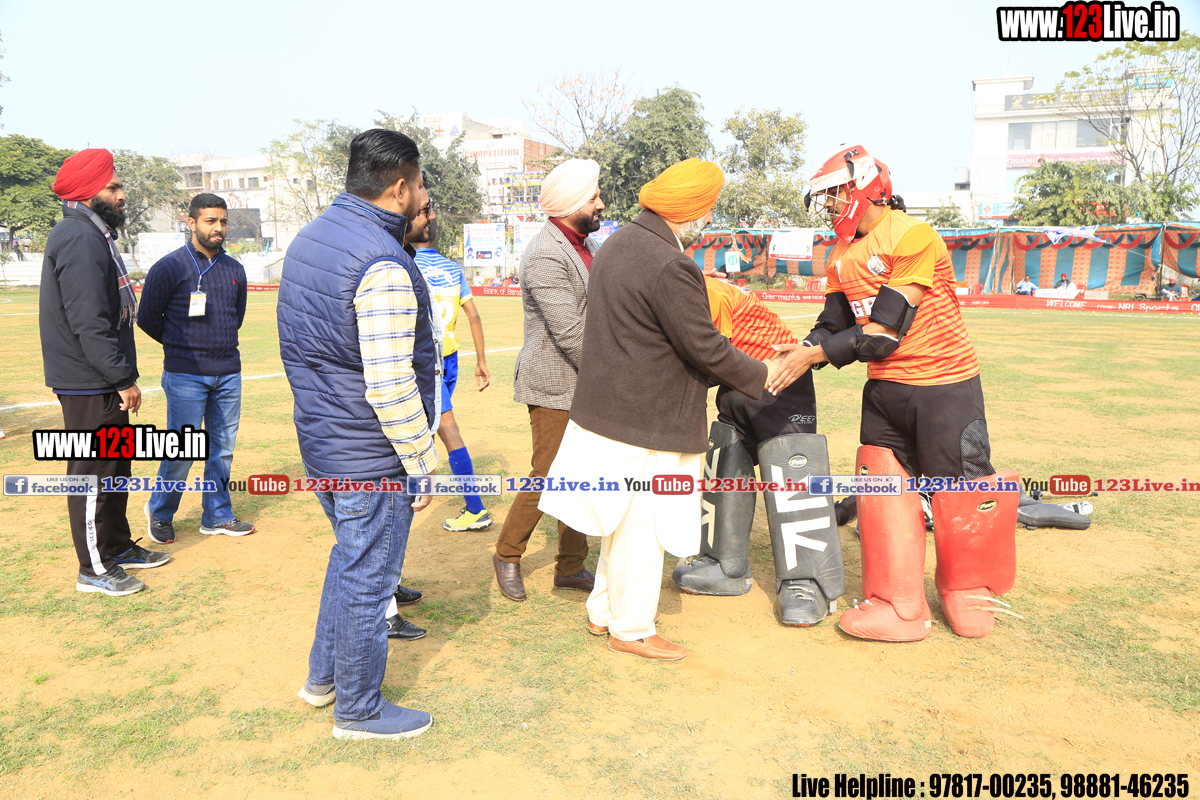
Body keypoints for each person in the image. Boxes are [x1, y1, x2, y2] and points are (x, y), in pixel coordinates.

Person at [773, 143, 1018, 643]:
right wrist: (800, 349)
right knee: (882, 489)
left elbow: (884, 333)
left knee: (961, 489)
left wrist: (813, 356)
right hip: (886, 389)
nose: (829, 204)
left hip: (943, 385)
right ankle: (898, 603)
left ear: (865, 186)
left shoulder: (912, 234)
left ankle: (968, 590)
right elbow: (833, 323)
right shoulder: (841, 253)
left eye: (835, 193)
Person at [539, 159, 776, 661]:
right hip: (648, 420)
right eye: (706, 210)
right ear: (690, 208)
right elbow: (705, 347)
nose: (707, 220)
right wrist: (765, 374)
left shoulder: (618, 243)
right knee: (643, 529)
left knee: (622, 524)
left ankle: (605, 609)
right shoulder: (671, 264)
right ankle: (631, 627)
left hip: (609, 413)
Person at [278, 129, 439, 740]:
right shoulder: (382, 262)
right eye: (420, 185)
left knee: (350, 561)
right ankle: (359, 709)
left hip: (322, 438)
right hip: (369, 454)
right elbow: (390, 382)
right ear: (399, 188)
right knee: (369, 581)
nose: (421, 196)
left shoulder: (311, 238)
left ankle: (323, 680)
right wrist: (421, 460)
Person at [671, 277, 845, 627]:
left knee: (792, 471)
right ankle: (724, 564)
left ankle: (807, 581)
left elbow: (711, 353)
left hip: (778, 380)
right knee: (726, 460)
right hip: (739, 382)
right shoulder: (690, 288)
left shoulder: (706, 291)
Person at [39, 148, 170, 597]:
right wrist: (120, 378)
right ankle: (93, 569)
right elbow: (89, 320)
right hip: (89, 380)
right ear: (86, 193)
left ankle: (116, 546)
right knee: (92, 472)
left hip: (99, 377)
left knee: (115, 467)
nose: (121, 195)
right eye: (113, 187)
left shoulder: (93, 233)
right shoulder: (79, 236)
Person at [380, 194, 492, 642]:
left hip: (423, 362)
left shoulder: (404, 264)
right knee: (436, 431)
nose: (425, 215)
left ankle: (475, 507)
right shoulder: (449, 267)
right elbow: (473, 314)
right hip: (449, 358)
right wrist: (481, 359)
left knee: (439, 432)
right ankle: (392, 577)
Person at [492, 159, 603, 603]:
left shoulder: (586, 244)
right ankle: (506, 553)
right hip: (554, 383)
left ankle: (570, 567)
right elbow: (571, 333)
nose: (600, 204)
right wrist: (613, 374)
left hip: (584, 381)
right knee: (549, 474)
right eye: (593, 197)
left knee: (582, 475)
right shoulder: (544, 253)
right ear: (571, 203)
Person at [137, 193, 255, 543]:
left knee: (222, 450)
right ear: (191, 223)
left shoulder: (235, 269)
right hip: (185, 374)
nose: (219, 227)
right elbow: (147, 318)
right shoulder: (169, 267)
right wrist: (181, 346)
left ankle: (217, 515)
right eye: (210, 221)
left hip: (228, 373)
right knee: (182, 450)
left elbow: (236, 317)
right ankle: (160, 511)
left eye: (223, 221)